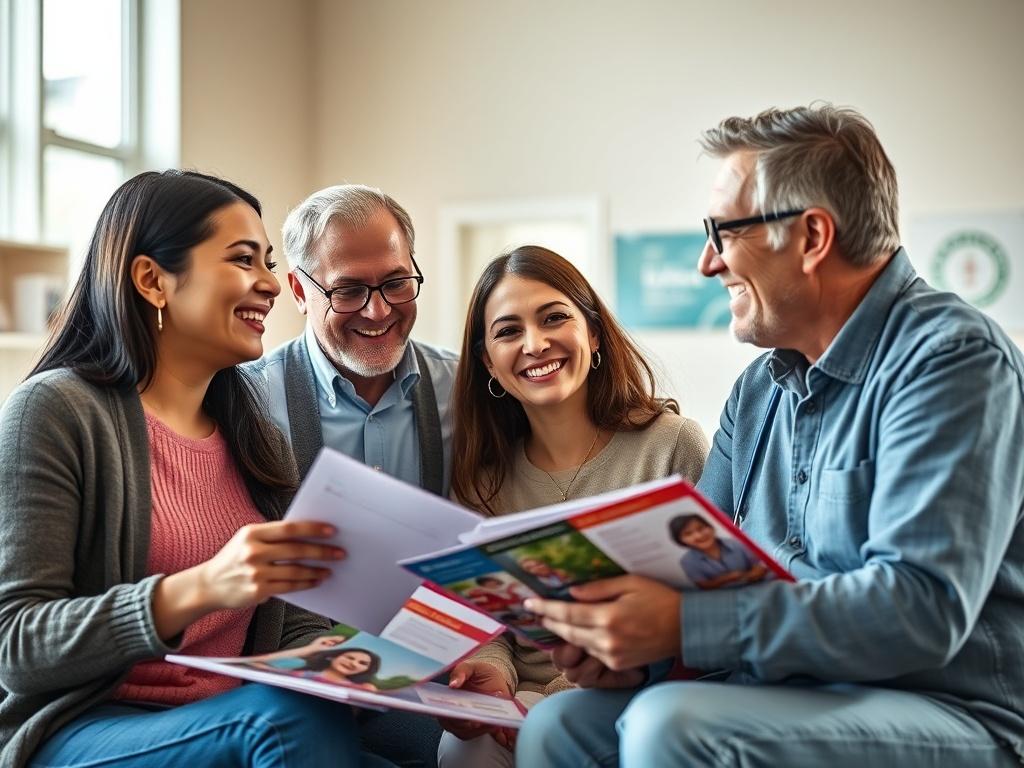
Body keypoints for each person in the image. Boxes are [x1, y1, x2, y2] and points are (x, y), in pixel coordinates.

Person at [515, 105, 1024, 768]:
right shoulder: (759, 390)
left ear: (812, 237)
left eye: (722, 232)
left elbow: (920, 609)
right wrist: (631, 650)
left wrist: (681, 627)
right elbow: (693, 573)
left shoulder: (952, 360)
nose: (707, 263)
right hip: (781, 693)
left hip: (949, 708)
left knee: (672, 726)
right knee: (557, 724)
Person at [0, 170, 370, 767]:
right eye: (244, 259)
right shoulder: (56, 411)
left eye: (268, 261)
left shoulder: (258, 438)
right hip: (90, 728)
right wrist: (198, 588)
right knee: (283, 724)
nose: (272, 284)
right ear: (152, 280)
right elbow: (16, 642)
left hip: (242, 719)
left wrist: (342, 659)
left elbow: (295, 625)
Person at [438, 245, 709, 768]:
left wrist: (553, 699)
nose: (534, 344)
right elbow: (482, 617)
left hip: (635, 693)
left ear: (595, 333)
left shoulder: (671, 445)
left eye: (554, 318)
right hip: (516, 703)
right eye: (508, 331)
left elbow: (703, 604)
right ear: (487, 361)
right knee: (460, 750)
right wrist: (491, 680)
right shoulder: (481, 478)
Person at [252, 184, 457, 496]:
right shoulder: (250, 401)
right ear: (299, 291)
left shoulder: (461, 388)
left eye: (396, 282)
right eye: (348, 290)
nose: (378, 311)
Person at [668, 514, 766, 589]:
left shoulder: (737, 543)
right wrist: (728, 578)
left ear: (711, 527)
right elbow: (704, 585)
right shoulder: (687, 561)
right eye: (688, 534)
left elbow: (758, 565)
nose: (698, 535)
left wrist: (754, 574)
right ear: (680, 540)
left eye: (701, 528)